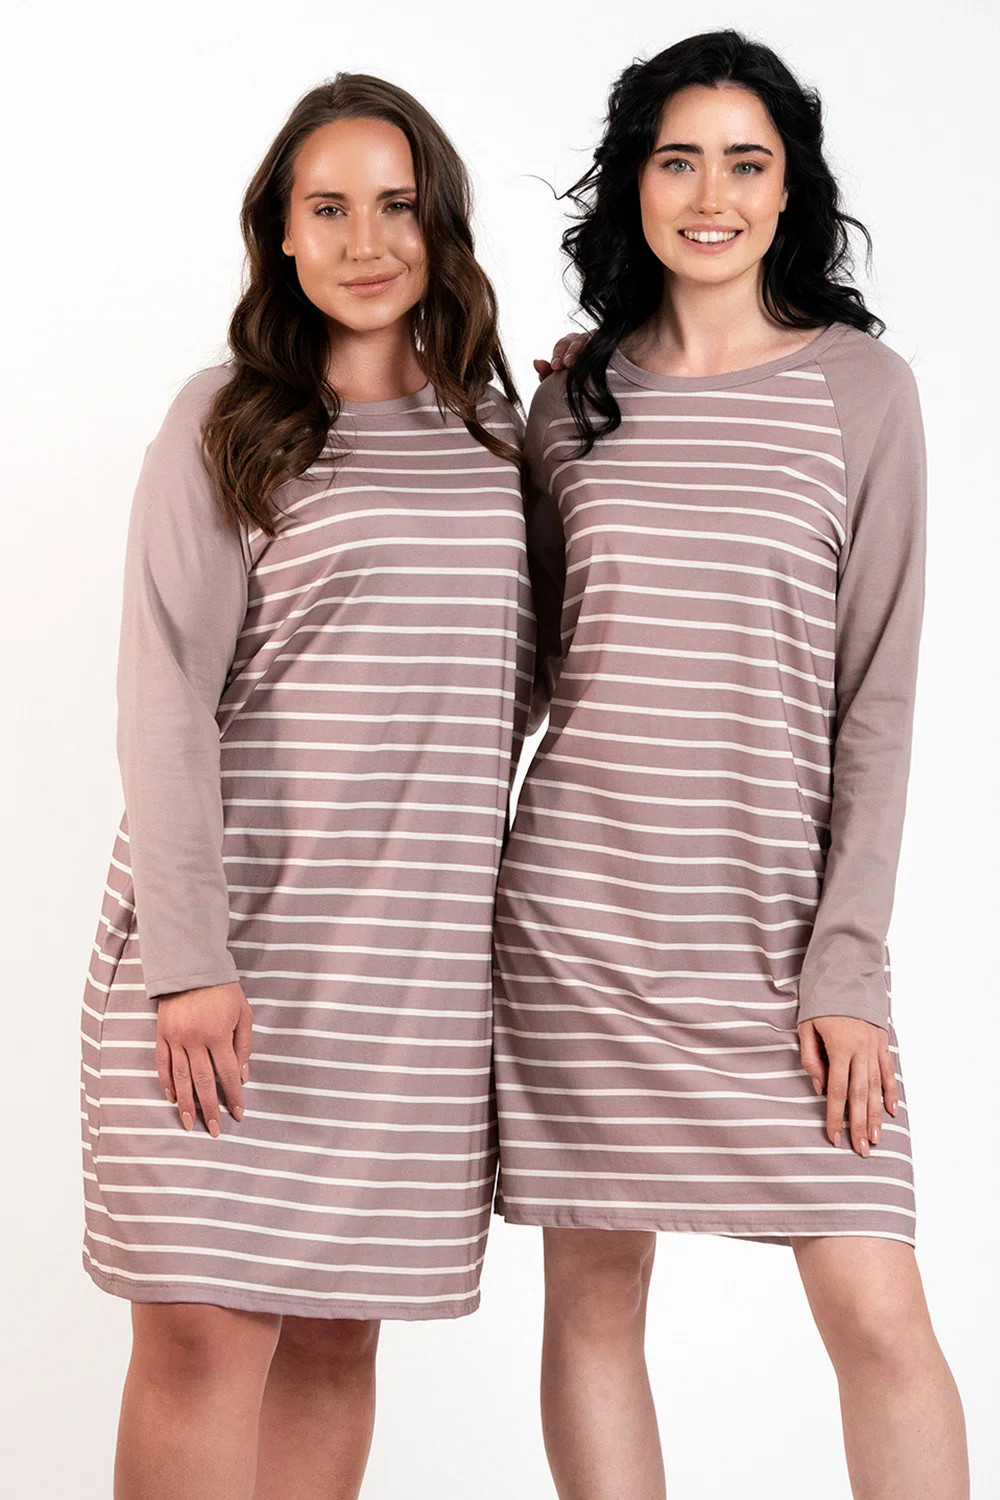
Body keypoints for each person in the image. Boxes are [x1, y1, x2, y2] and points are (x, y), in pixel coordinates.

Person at [496, 31, 969, 1499]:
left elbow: (879, 699)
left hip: (779, 934)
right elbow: (525, 664)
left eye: (746, 164)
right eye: (679, 161)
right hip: (580, 924)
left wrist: (848, 966)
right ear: (634, 183)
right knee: (595, 1299)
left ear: (789, 189)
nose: (713, 196)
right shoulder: (572, 403)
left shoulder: (862, 391)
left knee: (877, 1313)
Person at [80, 73, 533, 1500]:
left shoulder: (496, 439)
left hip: (406, 995)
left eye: (396, 205)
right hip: (223, 967)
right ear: (280, 232)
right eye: (327, 208)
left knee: (336, 1342)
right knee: (204, 1339)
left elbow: (518, 680)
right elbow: (163, 692)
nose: (365, 240)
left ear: (440, 224)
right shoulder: (226, 419)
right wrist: (190, 963)